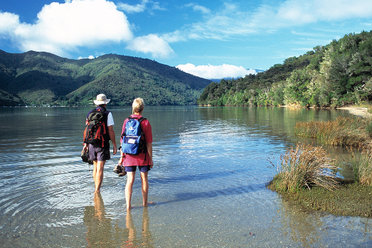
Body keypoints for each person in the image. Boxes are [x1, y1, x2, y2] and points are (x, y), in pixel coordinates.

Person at [118, 98, 153, 211]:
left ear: (133, 108)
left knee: (130, 180)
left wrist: (121, 157)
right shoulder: (145, 122)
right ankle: (145, 203)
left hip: (129, 155)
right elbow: (149, 143)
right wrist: (150, 159)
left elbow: (122, 140)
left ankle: (128, 206)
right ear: (142, 108)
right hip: (142, 156)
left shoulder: (126, 121)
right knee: (144, 179)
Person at [83, 94, 117, 193]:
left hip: (91, 143)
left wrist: (85, 144)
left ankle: (96, 187)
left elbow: (87, 129)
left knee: (95, 166)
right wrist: (114, 145)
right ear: (105, 103)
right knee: (100, 167)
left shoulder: (90, 113)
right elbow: (111, 130)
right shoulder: (107, 114)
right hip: (102, 143)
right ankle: (97, 191)